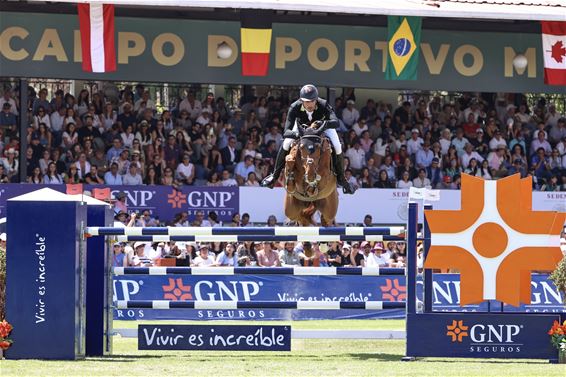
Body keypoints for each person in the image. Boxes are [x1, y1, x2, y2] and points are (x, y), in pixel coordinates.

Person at [260, 84, 356, 194]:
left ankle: (342, 179)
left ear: (316, 100)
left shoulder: (323, 104)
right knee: (286, 143)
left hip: (322, 128)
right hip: (302, 129)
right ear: (301, 100)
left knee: (338, 146)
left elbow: (336, 122)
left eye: (312, 101)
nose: (309, 104)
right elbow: (286, 132)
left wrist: (324, 123)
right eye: (306, 101)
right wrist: (298, 135)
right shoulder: (294, 107)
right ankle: (274, 175)